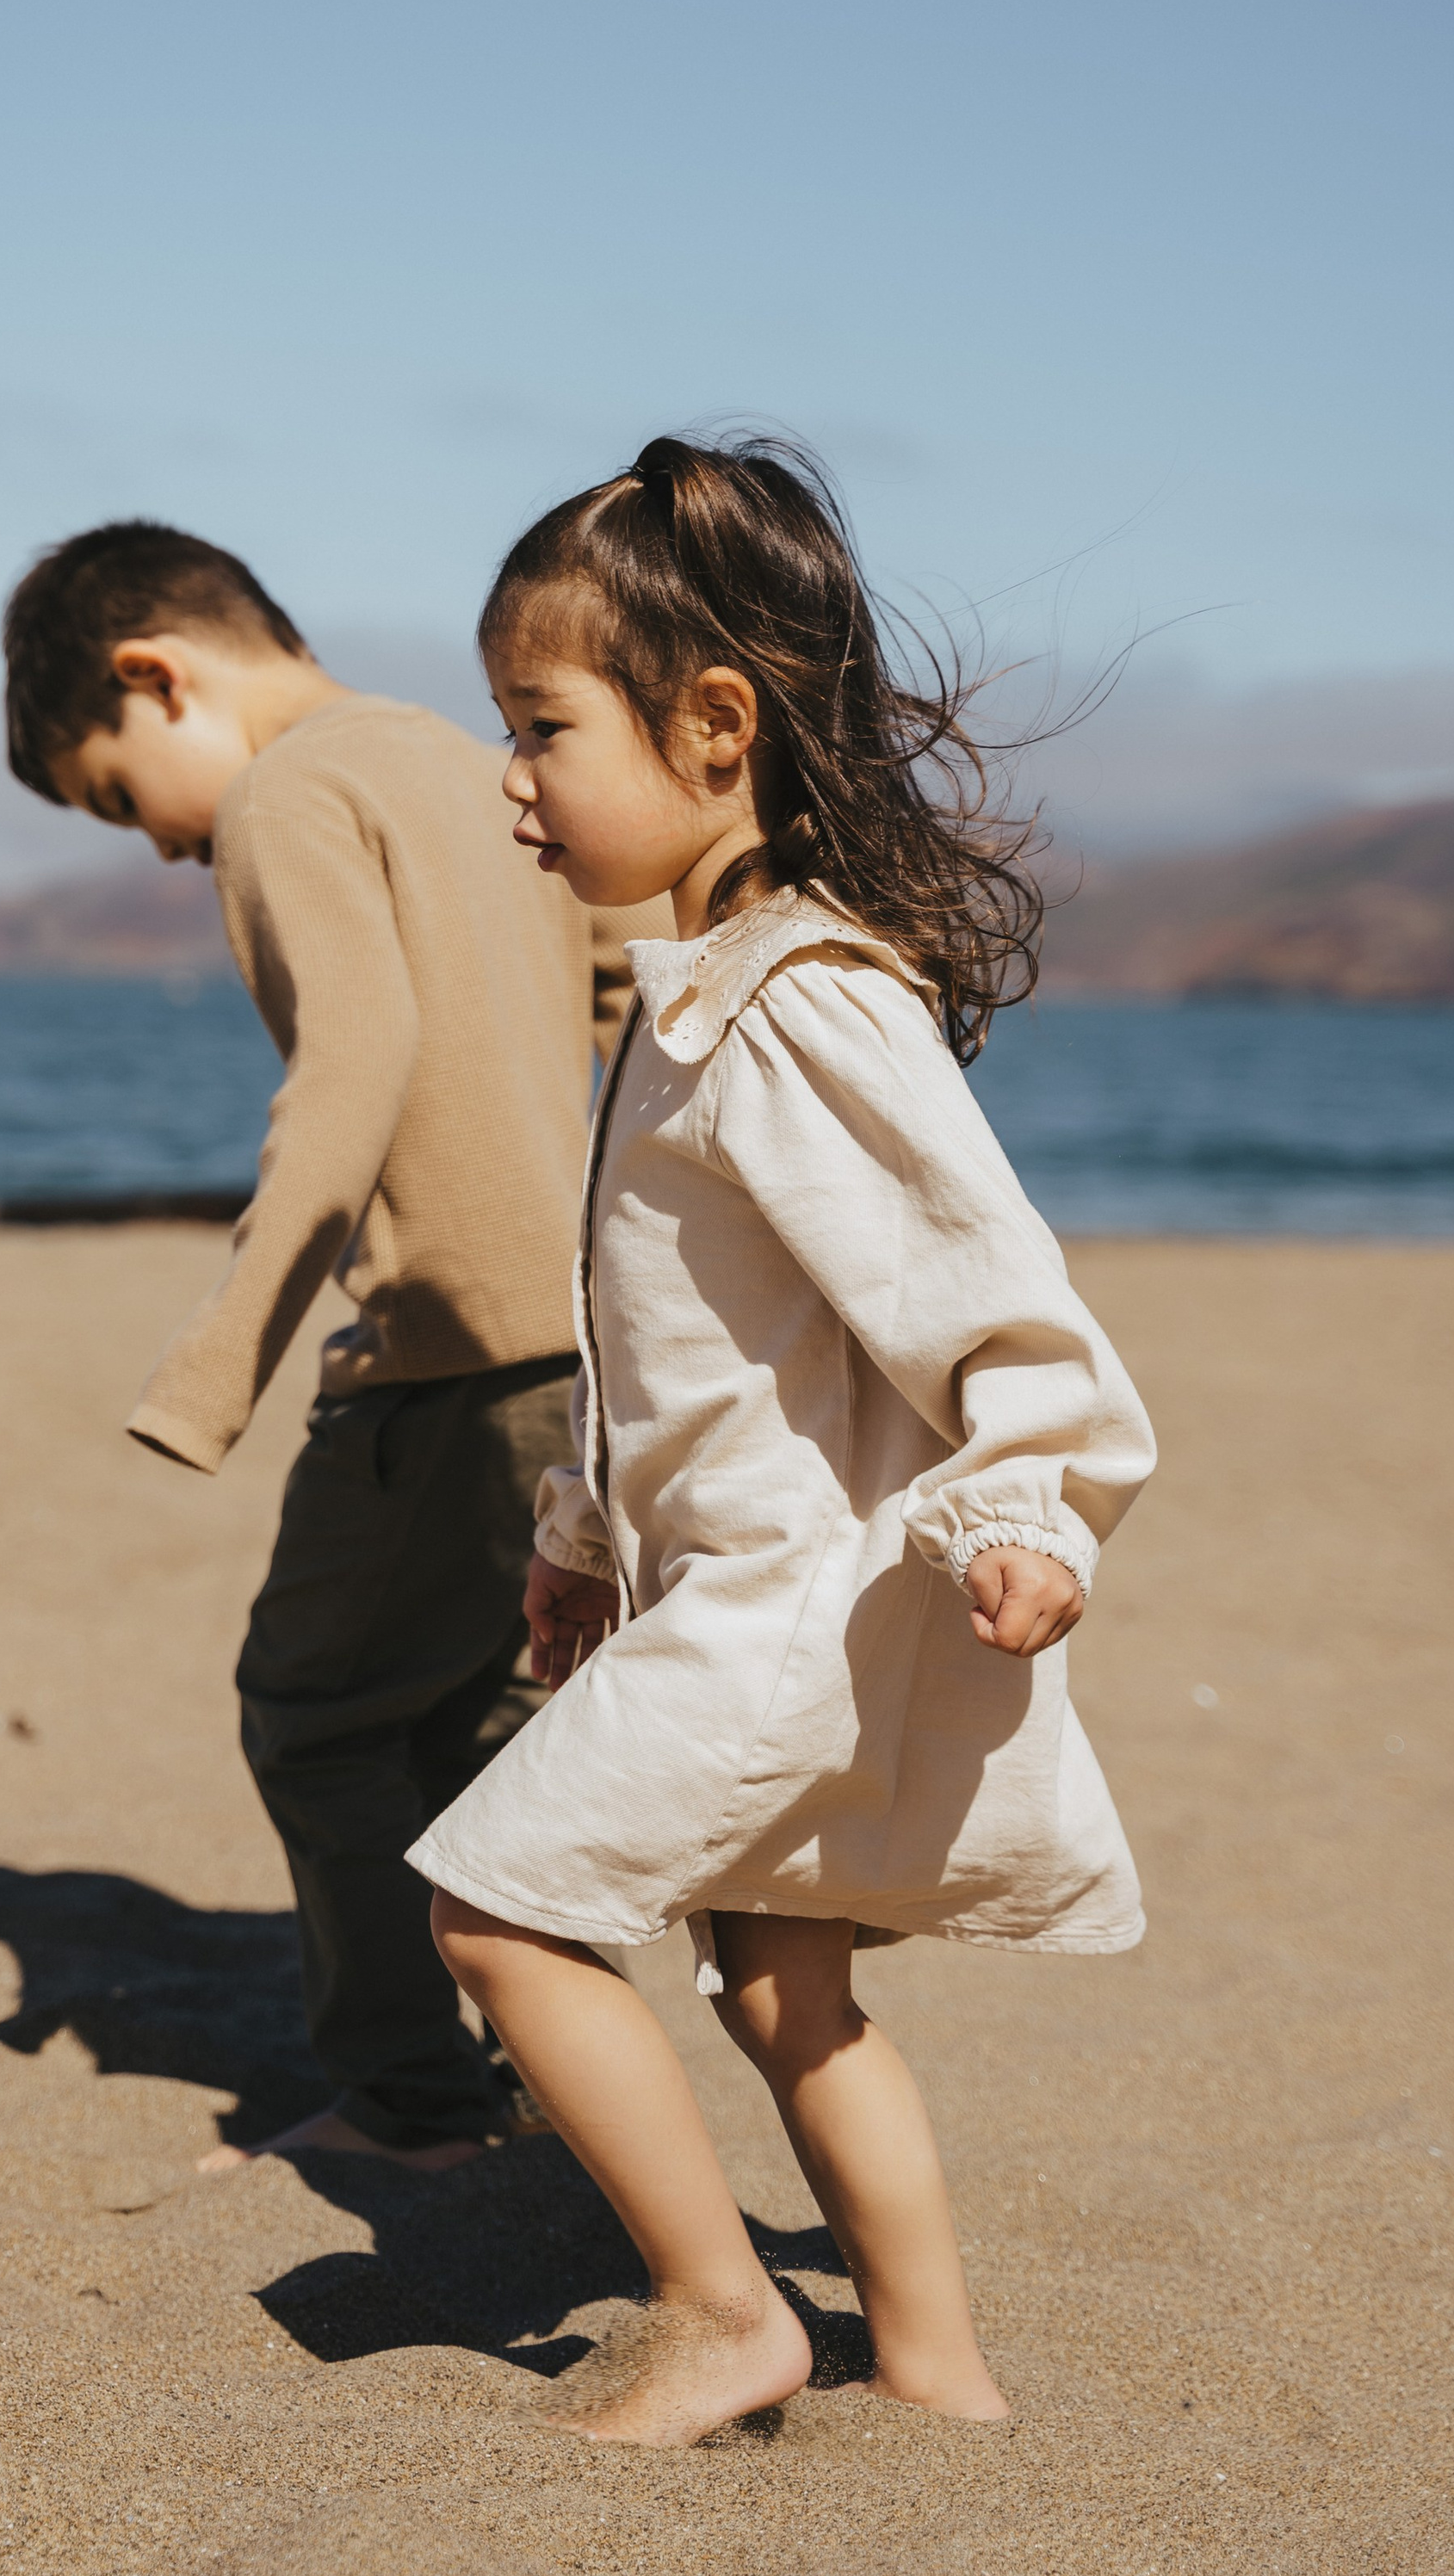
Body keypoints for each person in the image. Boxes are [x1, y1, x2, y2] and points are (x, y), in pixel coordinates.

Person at [411, 435, 1157, 2443]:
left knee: (493, 1908)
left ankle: (725, 2310)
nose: (511, 780)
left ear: (713, 723)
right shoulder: (688, 1000)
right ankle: (934, 2374)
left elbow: (994, 1299)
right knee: (779, 1993)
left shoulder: (797, 1004)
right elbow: (673, 1349)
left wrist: (1031, 1509)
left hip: (785, 1616)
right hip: (729, 1592)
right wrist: (580, 1540)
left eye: (538, 726)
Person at [2, 520, 659, 2173]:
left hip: (434, 1352)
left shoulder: (287, 794)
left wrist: (219, 1361)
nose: (152, 846)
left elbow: (349, 1074)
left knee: (316, 1713)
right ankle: (537, 2082)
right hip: (574, 1342)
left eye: (112, 791)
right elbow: (604, 988)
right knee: (477, 1732)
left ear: (155, 676)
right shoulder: (472, 763)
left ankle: (417, 2105)